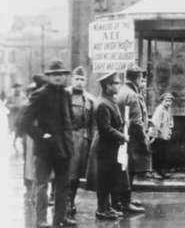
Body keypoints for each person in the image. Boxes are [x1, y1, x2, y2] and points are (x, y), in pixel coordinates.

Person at [19, 60, 75, 228]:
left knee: (62, 186)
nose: (58, 77)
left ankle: (60, 218)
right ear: (49, 77)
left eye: (61, 74)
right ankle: (41, 220)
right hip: (45, 149)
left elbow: (69, 119)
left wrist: (68, 139)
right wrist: (42, 136)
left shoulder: (66, 94)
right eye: (54, 75)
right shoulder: (40, 94)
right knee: (42, 185)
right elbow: (25, 122)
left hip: (64, 148)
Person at [91, 71, 128, 221]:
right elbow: (105, 129)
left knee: (111, 177)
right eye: (116, 83)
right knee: (104, 179)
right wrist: (123, 136)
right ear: (108, 86)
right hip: (105, 147)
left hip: (112, 147)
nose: (119, 85)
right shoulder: (102, 104)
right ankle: (101, 209)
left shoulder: (110, 101)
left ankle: (107, 208)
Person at [116, 63, 151, 214]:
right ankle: (125, 202)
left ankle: (122, 200)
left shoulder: (122, 91)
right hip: (131, 139)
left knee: (123, 169)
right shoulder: (132, 95)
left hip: (122, 136)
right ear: (137, 79)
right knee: (129, 170)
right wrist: (144, 142)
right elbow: (136, 122)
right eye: (142, 78)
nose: (143, 81)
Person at [66, 66, 95, 218]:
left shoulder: (90, 99)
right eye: (77, 79)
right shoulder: (64, 95)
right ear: (72, 79)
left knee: (76, 173)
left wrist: (90, 140)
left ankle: (71, 199)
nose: (79, 82)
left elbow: (93, 124)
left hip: (83, 140)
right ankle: (64, 200)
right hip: (67, 138)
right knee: (66, 172)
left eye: (82, 79)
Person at [150, 93, 175, 179]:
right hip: (157, 135)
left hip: (165, 135)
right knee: (157, 154)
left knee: (162, 155)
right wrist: (155, 135)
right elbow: (155, 123)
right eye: (166, 101)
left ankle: (160, 171)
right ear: (162, 101)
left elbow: (171, 121)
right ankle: (154, 172)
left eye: (170, 101)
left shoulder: (168, 110)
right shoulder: (159, 109)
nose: (168, 103)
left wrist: (169, 131)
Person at [5, 82, 27, 150]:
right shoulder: (10, 96)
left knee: (20, 127)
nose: (17, 89)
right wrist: (12, 106)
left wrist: (22, 106)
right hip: (13, 114)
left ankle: (18, 139)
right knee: (15, 128)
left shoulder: (23, 95)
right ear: (14, 88)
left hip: (21, 114)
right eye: (16, 87)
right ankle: (15, 140)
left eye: (19, 87)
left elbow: (26, 102)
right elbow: (6, 104)